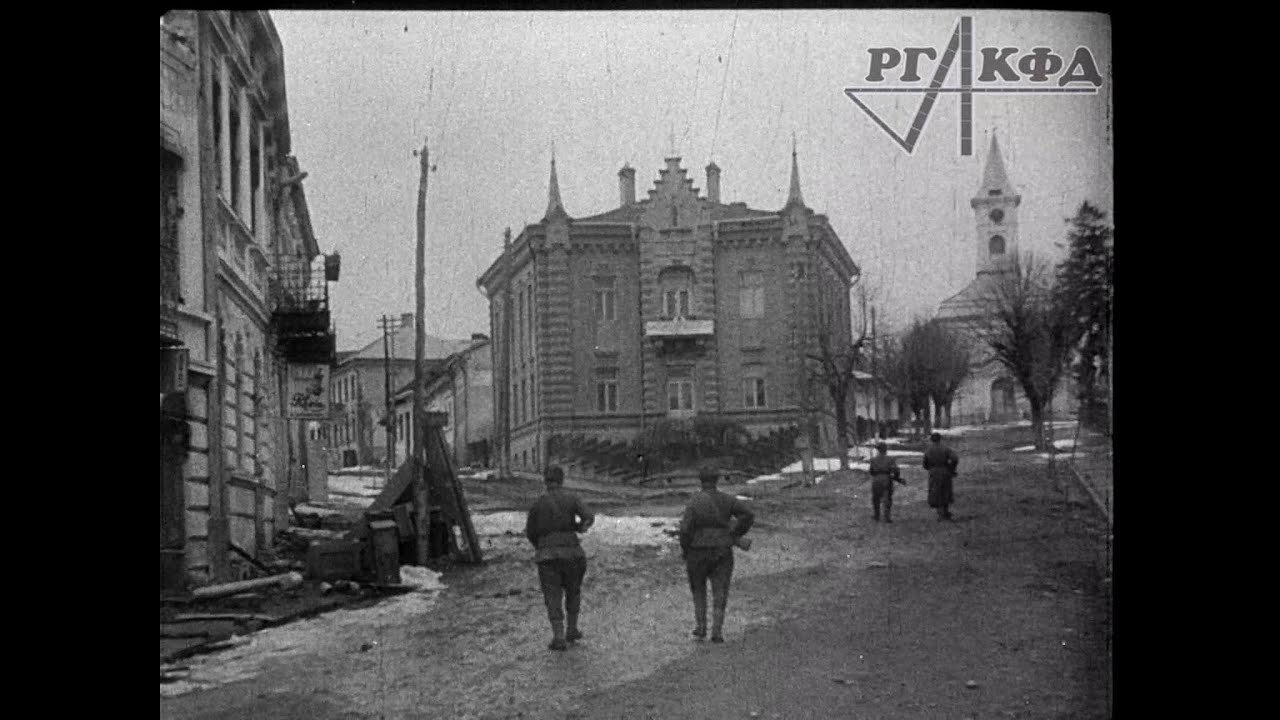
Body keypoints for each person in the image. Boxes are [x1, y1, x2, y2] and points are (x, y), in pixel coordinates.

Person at [678, 466, 755, 643]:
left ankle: (701, 627)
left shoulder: (694, 502)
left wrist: (685, 549)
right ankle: (717, 631)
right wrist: (735, 534)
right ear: (717, 480)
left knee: (698, 590)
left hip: (697, 552)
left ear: (700, 480)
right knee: (720, 591)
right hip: (722, 550)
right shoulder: (727, 500)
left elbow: (685, 530)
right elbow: (748, 515)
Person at [525, 465, 595, 651]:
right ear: (562, 480)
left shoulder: (538, 503)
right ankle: (572, 629)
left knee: (552, 595)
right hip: (573, 553)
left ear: (545, 481)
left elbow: (530, 532)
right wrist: (579, 529)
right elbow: (588, 517)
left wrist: (541, 547)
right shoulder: (572, 498)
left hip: (547, 557)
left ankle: (558, 637)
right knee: (574, 591)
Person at [922, 432, 960, 521]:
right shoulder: (946, 448)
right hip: (945, 471)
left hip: (933, 472)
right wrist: (951, 469)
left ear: (931, 440)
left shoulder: (928, 450)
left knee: (935, 492)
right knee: (945, 491)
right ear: (940, 439)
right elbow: (955, 458)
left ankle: (941, 513)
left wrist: (930, 469)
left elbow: (924, 464)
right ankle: (945, 511)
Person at [868, 442, 906, 522]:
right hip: (886, 479)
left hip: (876, 480)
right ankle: (887, 516)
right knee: (887, 498)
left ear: (878, 450)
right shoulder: (890, 459)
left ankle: (876, 515)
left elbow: (871, 472)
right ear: (886, 449)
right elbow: (896, 470)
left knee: (876, 498)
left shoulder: (873, 460)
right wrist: (897, 478)